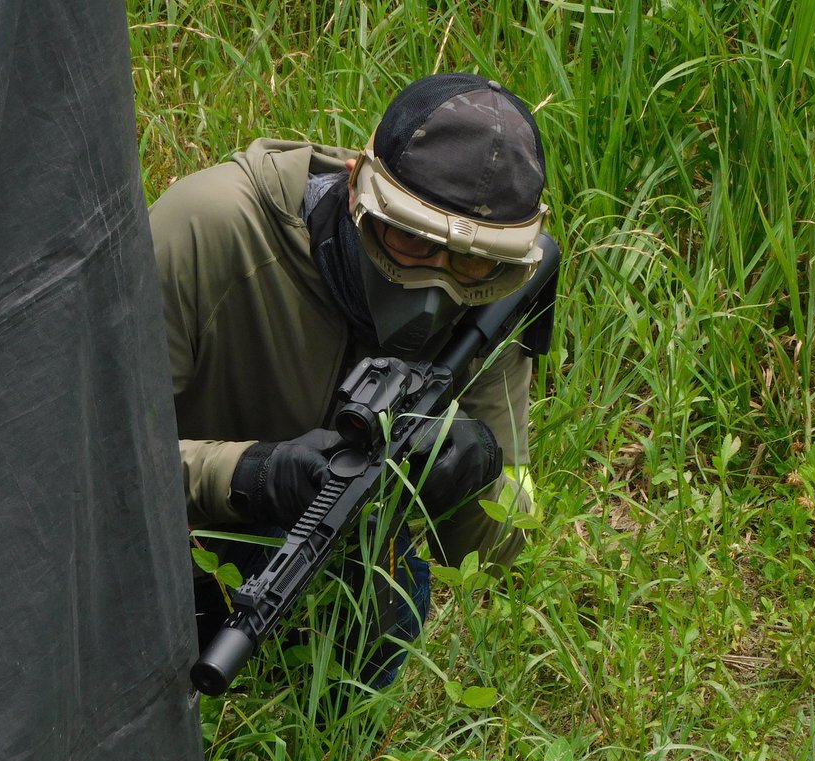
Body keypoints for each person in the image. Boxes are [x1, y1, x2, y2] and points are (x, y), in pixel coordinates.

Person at [149, 73, 552, 686]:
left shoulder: (495, 292)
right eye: (411, 242)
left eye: (470, 261)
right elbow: (78, 474)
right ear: (359, 184)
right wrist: (250, 474)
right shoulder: (208, 228)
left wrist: (480, 473)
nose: (439, 283)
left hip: (339, 572)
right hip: (159, 556)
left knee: (390, 594)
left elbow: (496, 554)